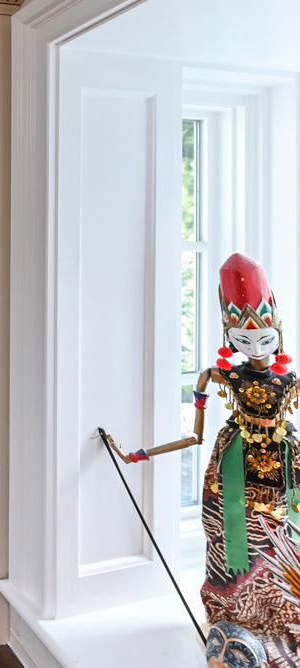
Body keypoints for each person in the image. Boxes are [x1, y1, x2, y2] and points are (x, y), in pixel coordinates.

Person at [108, 253, 300, 667]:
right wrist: (136, 455)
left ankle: (282, 621)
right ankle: (236, 619)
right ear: (229, 337)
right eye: (243, 340)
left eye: (265, 338)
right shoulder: (218, 376)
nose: (256, 348)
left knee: (286, 535)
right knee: (233, 537)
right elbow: (195, 436)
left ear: (278, 331)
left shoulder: (291, 379)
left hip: (286, 462)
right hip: (233, 463)